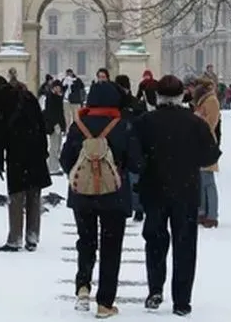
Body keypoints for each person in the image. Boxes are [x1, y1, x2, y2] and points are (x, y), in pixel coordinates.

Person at [133, 75, 221, 315]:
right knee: (185, 244)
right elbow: (210, 155)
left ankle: (155, 289)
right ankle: (182, 300)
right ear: (182, 96)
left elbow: (134, 157)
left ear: (158, 97)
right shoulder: (194, 123)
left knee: (155, 240)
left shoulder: (145, 122)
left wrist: (148, 164)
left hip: (154, 188)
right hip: (186, 189)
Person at [61, 80, 141, 318]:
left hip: (82, 194)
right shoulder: (122, 125)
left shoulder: (78, 125)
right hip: (113, 195)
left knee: (85, 241)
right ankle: (105, 302)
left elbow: (65, 160)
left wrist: (84, 173)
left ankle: (83, 286)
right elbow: (136, 162)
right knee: (111, 248)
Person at [0, 81, 52, 252]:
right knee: (34, 196)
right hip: (35, 154)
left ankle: (15, 238)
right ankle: (32, 236)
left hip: (16, 154)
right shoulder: (32, 100)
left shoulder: (4, 103)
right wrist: (44, 151)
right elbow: (42, 126)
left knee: (16, 197)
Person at [192, 78, 221, 228]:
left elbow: (211, 123)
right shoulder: (202, 101)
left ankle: (212, 214)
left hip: (206, 143)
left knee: (208, 181)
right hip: (199, 143)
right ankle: (202, 211)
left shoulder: (211, 101)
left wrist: (197, 118)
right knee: (200, 180)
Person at [42, 80, 66, 176]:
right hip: (54, 125)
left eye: (58, 87)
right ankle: (52, 167)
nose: (57, 89)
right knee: (54, 147)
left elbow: (61, 113)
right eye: (55, 87)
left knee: (57, 146)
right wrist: (55, 124)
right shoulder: (51, 97)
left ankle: (54, 165)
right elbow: (50, 113)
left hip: (58, 124)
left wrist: (63, 126)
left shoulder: (58, 97)